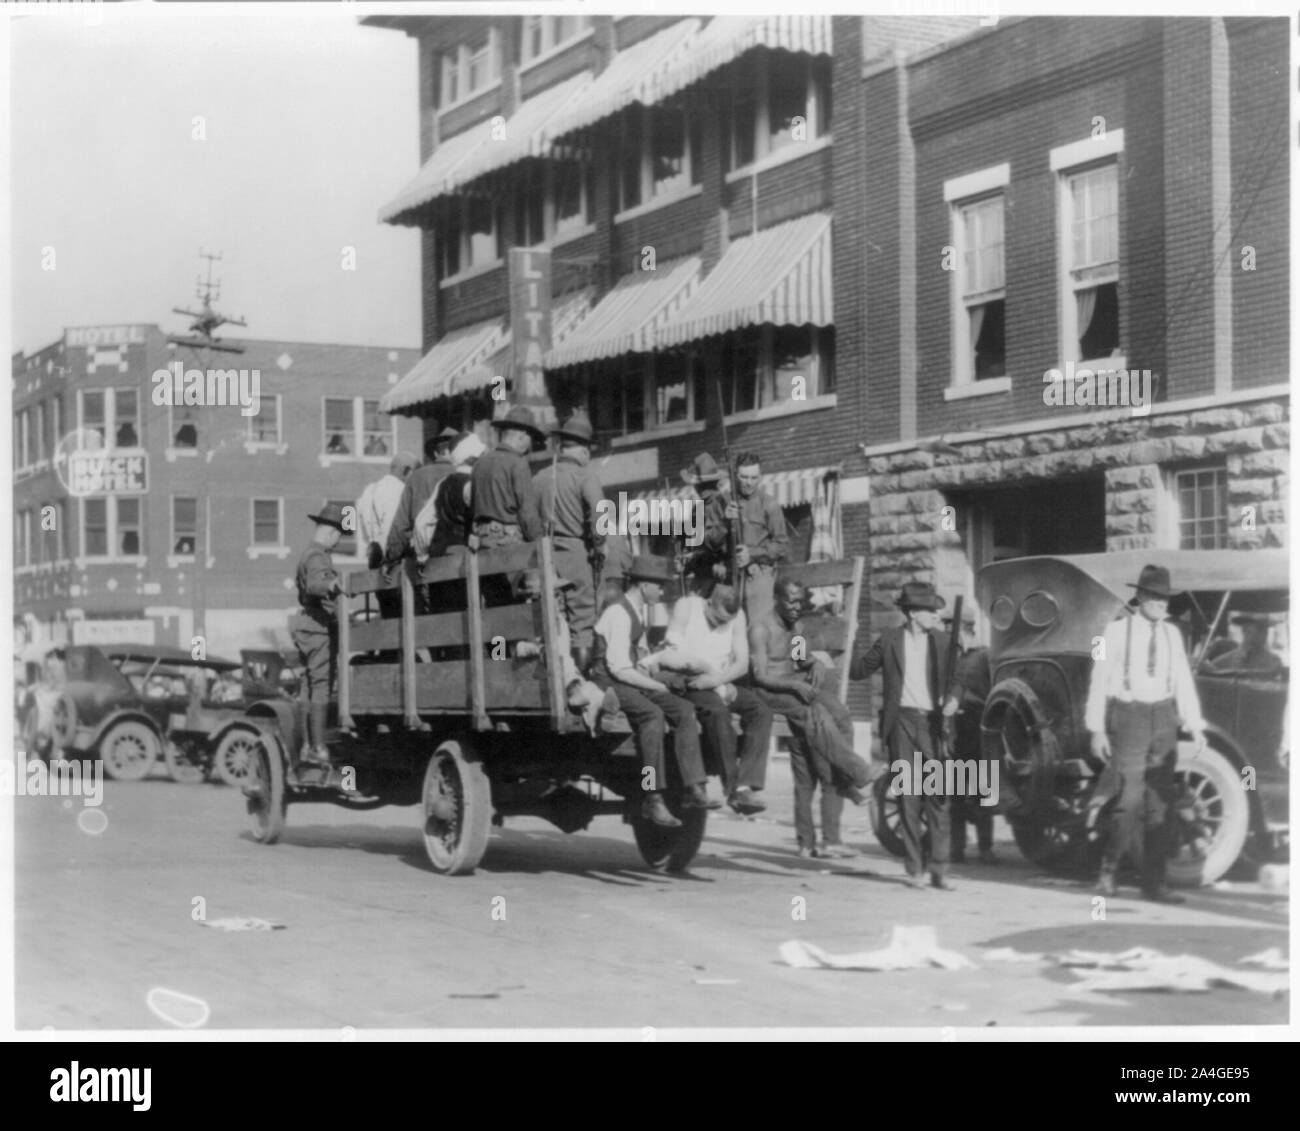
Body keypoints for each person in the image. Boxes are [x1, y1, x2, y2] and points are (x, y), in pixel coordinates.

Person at [1085, 564, 1207, 904]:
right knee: (1127, 801)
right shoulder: (1113, 633)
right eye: (1153, 597)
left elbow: (1183, 680)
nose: (1160, 604)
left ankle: (1154, 883)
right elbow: (1098, 681)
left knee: (1160, 806)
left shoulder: (1173, 634)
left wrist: (1194, 725)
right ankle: (1108, 872)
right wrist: (1096, 729)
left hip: (1164, 719)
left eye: (1165, 598)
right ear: (1139, 597)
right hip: (1129, 718)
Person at [750, 578, 884, 858]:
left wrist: (816, 662)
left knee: (842, 714)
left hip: (794, 683)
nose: (797, 607)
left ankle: (845, 783)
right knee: (815, 713)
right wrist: (794, 685)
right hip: (771, 692)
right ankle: (857, 772)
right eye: (791, 601)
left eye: (800, 601)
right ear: (776, 598)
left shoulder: (795, 625)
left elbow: (800, 658)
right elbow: (760, 676)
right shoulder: (761, 628)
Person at [590, 555, 719, 828]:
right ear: (643, 585)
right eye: (658, 586)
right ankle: (652, 796)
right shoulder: (618, 613)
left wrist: (659, 669)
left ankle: (693, 787)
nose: (661, 592)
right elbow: (618, 668)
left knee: (684, 710)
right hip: (610, 681)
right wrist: (655, 684)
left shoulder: (639, 611)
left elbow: (638, 659)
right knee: (652, 717)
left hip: (632, 676)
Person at [852, 581, 962, 890]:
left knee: (938, 797)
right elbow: (860, 669)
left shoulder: (942, 642)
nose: (935, 615)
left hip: (932, 725)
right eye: (930, 610)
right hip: (900, 723)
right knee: (909, 799)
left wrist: (954, 699)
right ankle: (915, 869)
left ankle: (940, 870)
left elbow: (958, 679)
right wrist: (841, 642)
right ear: (913, 613)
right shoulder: (888, 641)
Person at [651, 583, 773, 814]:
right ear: (708, 603)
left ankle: (746, 785)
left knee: (762, 711)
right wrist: (710, 680)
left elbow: (742, 663)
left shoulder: (736, 617)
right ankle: (732, 789)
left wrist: (718, 682)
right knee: (717, 713)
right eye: (717, 620)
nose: (721, 625)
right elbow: (675, 654)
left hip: (720, 681)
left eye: (726, 622)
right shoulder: (686, 607)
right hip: (691, 679)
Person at [533, 410, 603, 673]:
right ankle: (579, 686)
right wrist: (599, 546)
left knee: (548, 621)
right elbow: (601, 513)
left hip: (544, 554)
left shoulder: (539, 477)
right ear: (584, 450)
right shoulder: (586, 476)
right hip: (575, 553)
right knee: (582, 624)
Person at [289, 503, 348, 768]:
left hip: (307, 626)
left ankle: (305, 747)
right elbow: (315, 585)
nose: (338, 541)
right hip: (317, 627)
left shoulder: (309, 553)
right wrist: (333, 585)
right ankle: (318, 747)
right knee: (322, 685)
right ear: (331, 532)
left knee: (308, 686)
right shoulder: (318, 557)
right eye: (338, 535)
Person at [943, 606, 997, 865]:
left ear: (965, 628)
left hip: (979, 728)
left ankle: (986, 848)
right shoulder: (946, 657)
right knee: (955, 794)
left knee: (983, 791)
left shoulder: (985, 656)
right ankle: (957, 848)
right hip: (955, 729)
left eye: (949, 627)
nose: (945, 632)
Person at [384, 427, 462, 567]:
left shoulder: (416, 477)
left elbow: (400, 526)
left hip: (423, 559)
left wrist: (392, 557)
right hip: (459, 557)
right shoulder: (465, 476)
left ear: (435, 452)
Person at [726, 452, 789, 623]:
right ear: (735, 476)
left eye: (754, 477)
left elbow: (782, 545)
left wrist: (752, 554)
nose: (748, 482)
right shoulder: (726, 502)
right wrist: (725, 521)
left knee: (757, 631)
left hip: (759, 578)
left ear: (760, 477)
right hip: (730, 580)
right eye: (744, 476)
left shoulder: (769, 504)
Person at [357, 451, 420, 617]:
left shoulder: (369, 491)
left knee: (388, 616)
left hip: (375, 561)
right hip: (394, 564)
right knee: (404, 618)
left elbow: (364, 533)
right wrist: (391, 560)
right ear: (407, 471)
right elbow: (393, 530)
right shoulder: (399, 491)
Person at [678, 453, 730, 594]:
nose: (698, 489)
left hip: (722, 575)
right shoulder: (697, 509)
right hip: (702, 573)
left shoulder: (724, 504)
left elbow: (720, 541)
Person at [1209, 613, 1283, 673]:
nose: (1264, 634)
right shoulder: (1225, 660)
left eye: (1264, 629)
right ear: (1244, 630)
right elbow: (1209, 672)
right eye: (1260, 628)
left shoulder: (1273, 661)